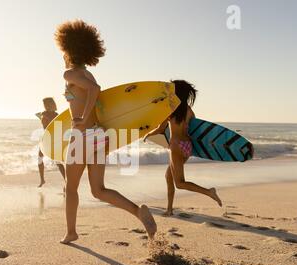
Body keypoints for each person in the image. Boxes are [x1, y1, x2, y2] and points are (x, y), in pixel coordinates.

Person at [55, 20, 157, 244]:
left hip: (81, 136)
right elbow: (93, 90)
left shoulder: (70, 74)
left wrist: (80, 119)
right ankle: (137, 212)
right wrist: (88, 118)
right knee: (98, 190)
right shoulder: (87, 73)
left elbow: (94, 91)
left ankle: (71, 232)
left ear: (68, 49)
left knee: (70, 187)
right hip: (97, 135)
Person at [143, 80, 222, 216]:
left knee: (179, 183)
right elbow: (195, 129)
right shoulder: (189, 110)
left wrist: (147, 134)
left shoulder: (171, 109)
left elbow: (160, 129)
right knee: (169, 176)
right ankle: (169, 209)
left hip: (176, 146)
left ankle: (209, 192)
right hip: (187, 147)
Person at [37, 97, 66, 189]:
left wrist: (42, 117)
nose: (44, 106)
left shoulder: (44, 114)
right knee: (53, 160)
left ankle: (42, 180)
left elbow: (46, 126)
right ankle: (66, 180)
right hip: (52, 138)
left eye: (45, 104)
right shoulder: (56, 115)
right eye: (44, 105)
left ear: (50, 105)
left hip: (49, 139)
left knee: (44, 159)